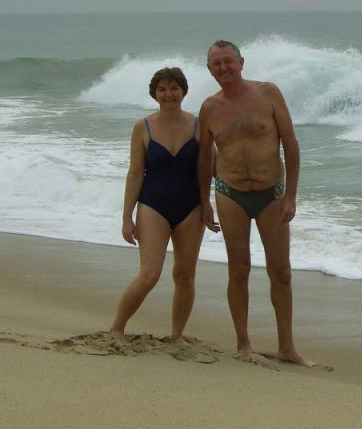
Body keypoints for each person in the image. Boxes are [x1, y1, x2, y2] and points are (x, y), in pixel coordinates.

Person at [198, 40, 319, 368]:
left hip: (272, 194)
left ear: (241, 62)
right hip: (230, 193)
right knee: (238, 271)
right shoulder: (209, 108)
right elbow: (204, 158)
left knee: (281, 272)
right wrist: (204, 201)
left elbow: (291, 145)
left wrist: (291, 195)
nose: (223, 68)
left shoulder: (268, 93)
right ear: (209, 70)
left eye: (228, 61)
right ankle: (243, 344)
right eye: (216, 64)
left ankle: (287, 347)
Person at [110, 67, 217, 344]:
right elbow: (135, 173)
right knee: (149, 275)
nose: (168, 94)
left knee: (185, 276)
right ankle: (117, 329)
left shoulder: (199, 126)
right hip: (152, 206)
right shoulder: (143, 127)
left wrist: (212, 202)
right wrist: (126, 217)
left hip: (191, 208)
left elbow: (213, 168)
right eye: (162, 89)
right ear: (154, 94)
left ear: (183, 91)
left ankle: (177, 335)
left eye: (174, 88)